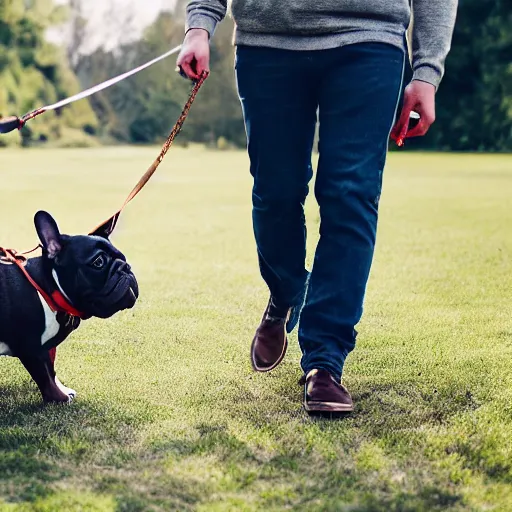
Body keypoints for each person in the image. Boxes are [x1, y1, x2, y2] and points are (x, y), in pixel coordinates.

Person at [177, 0, 458, 415]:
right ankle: (287, 291)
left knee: (351, 195)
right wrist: (199, 25)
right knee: (276, 193)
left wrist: (427, 71)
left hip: (370, 38)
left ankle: (324, 363)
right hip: (267, 42)